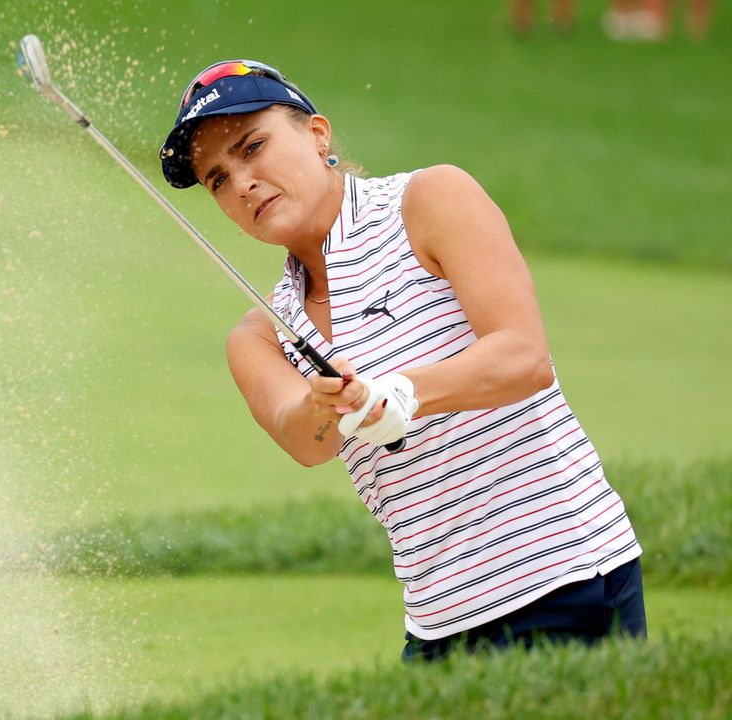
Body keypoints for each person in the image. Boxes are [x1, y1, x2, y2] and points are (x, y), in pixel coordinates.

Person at [158, 61, 647, 661]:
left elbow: (524, 357)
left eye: (253, 147)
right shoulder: (260, 334)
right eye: (217, 179)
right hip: (437, 621)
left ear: (318, 135)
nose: (241, 184)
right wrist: (323, 404)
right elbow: (305, 440)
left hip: (564, 575)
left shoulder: (429, 200)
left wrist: (397, 393)